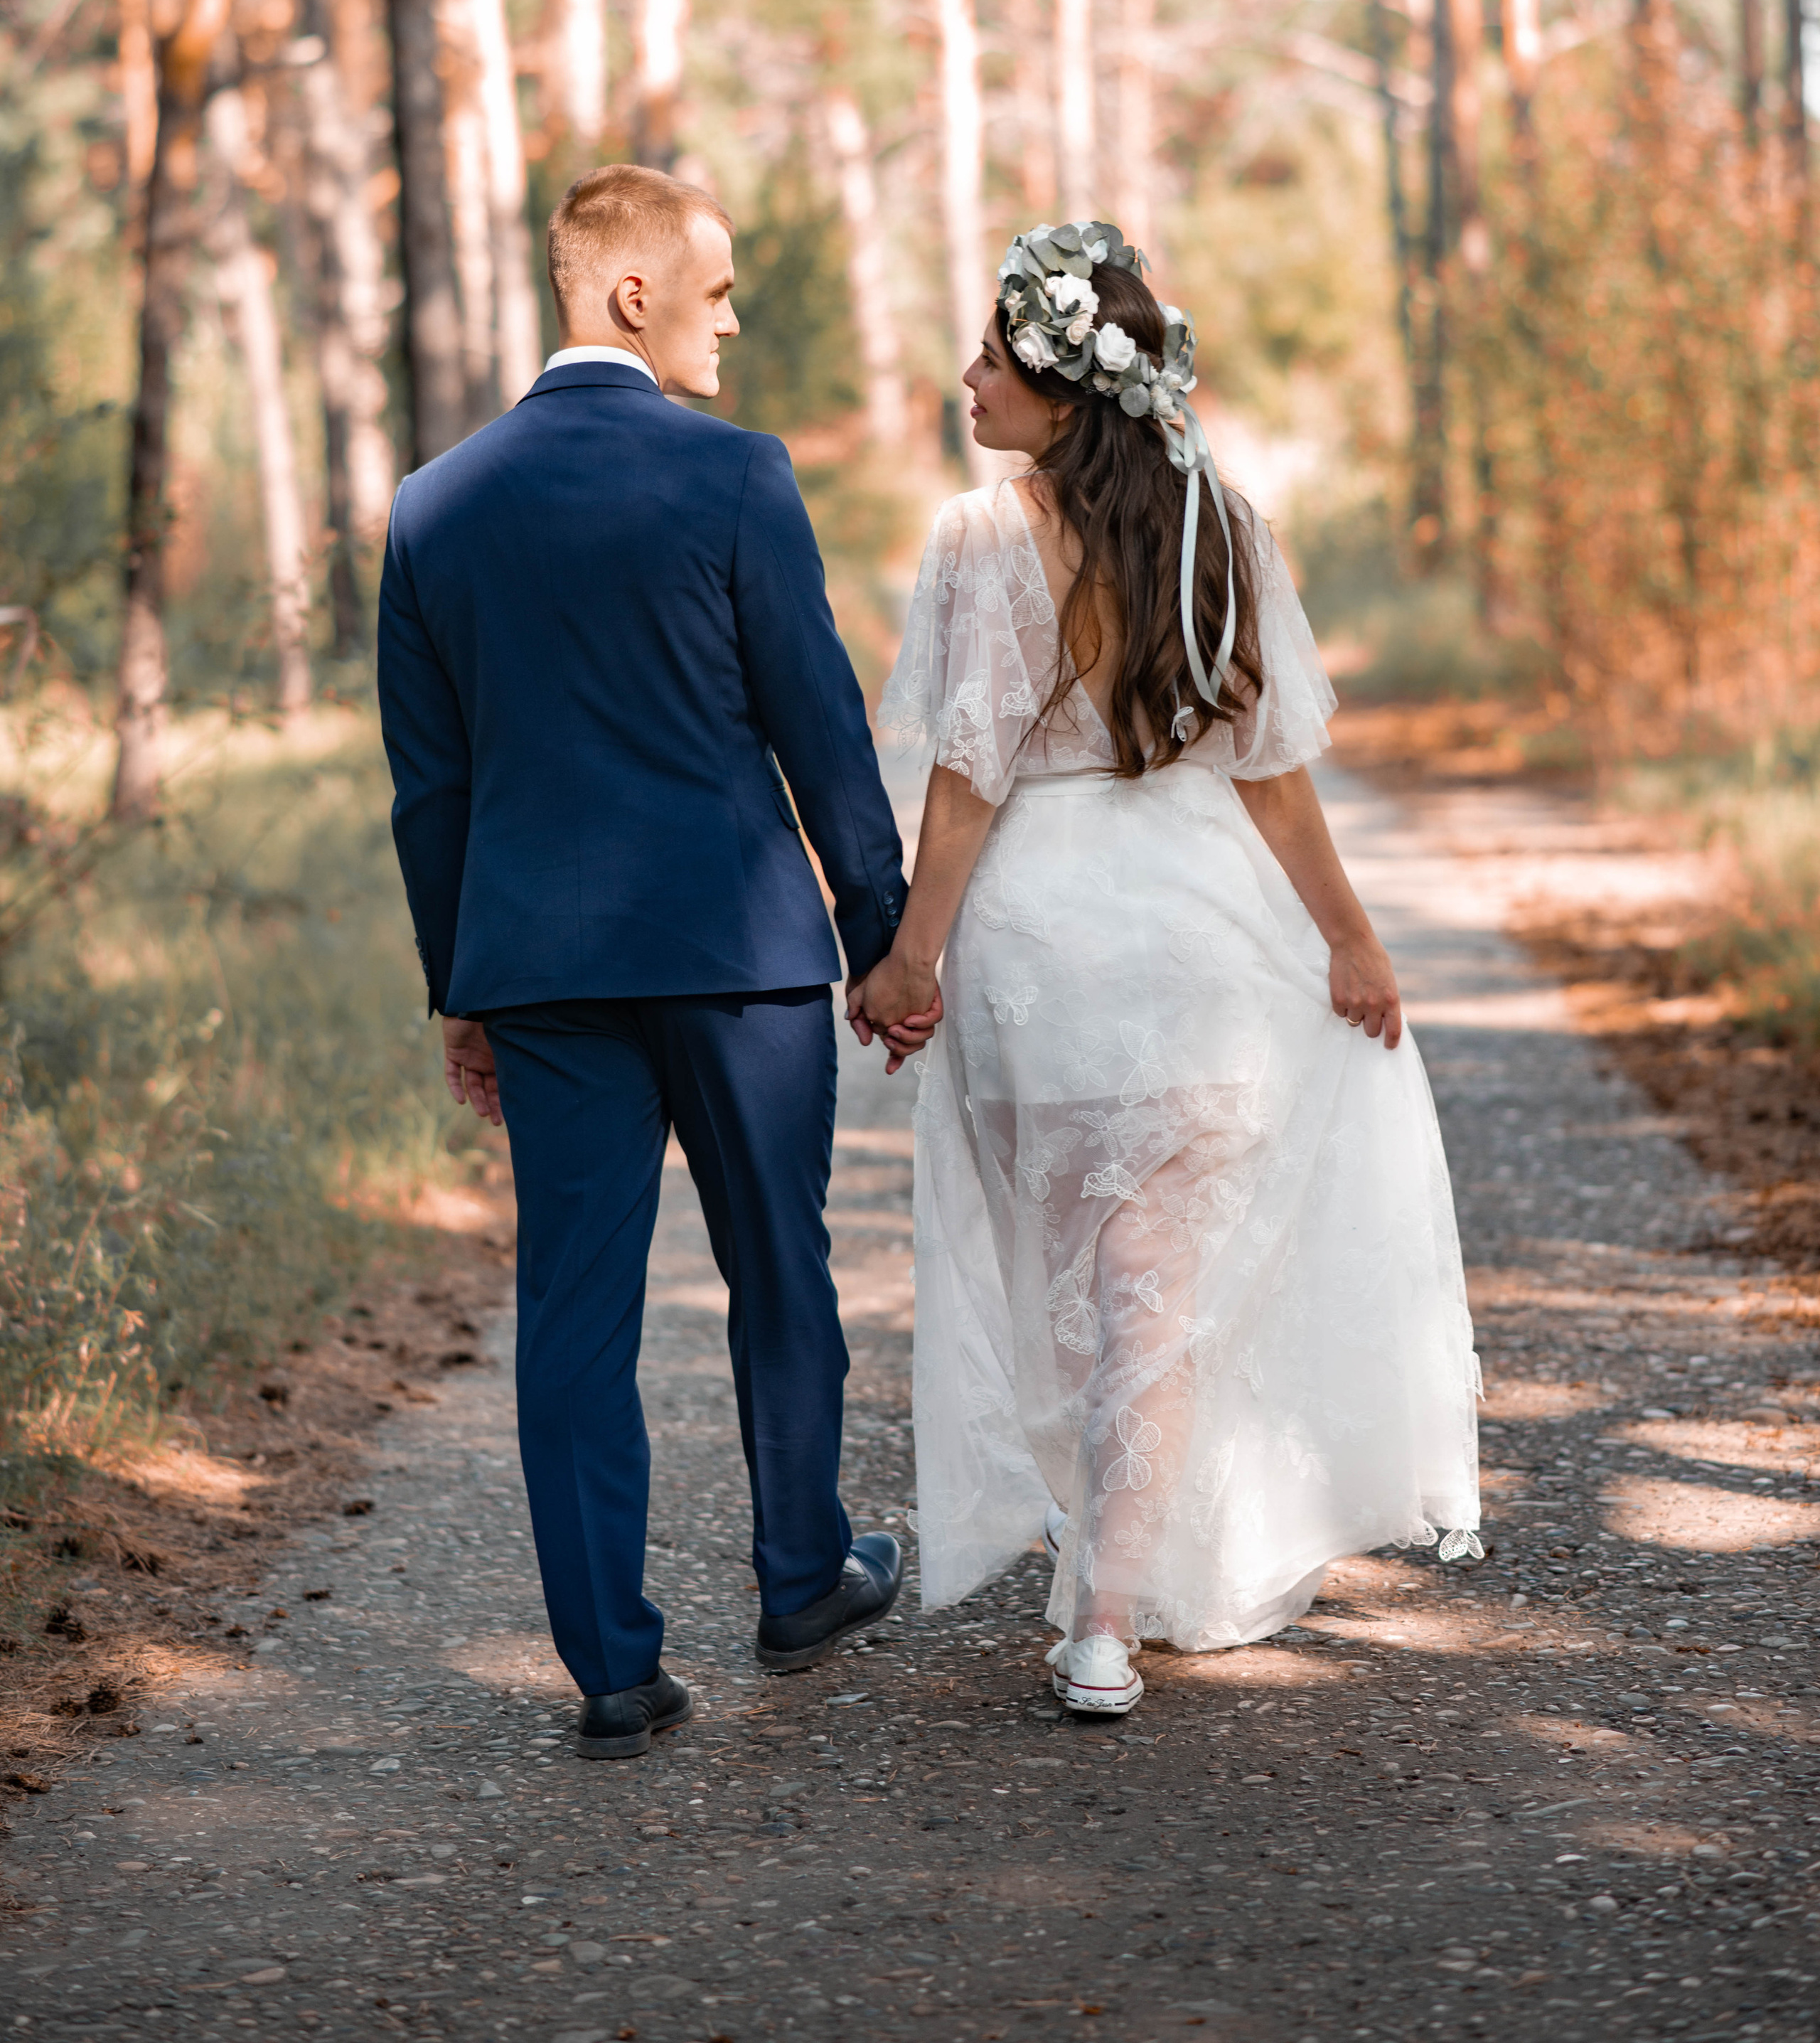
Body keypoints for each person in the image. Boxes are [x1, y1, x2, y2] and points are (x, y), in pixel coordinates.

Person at [852, 221, 1481, 1718]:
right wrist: (1346, 937)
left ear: (1065, 388)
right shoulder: (1221, 523)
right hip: (1204, 943)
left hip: (1041, 951)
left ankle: (1103, 1574)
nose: (967, 381)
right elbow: (1272, 772)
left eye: (991, 360)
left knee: (1062, 1282)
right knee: (1153, 1297)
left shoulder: (979, 537)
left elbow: (966, 778)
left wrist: (909, 958)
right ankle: (1108, 1616)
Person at [378, 163, 935, 1761]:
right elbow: (817, 722)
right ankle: (801, 1577)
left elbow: (431, 787)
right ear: (634, 293)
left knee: (571, 1308)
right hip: (733, 950)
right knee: (779, 1266)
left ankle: (612, 1669)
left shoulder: (433, 505)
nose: (733, 319)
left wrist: (461, 986)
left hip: (540, 972)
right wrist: (881, 937)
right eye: (719, 287)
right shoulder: (736, 474)